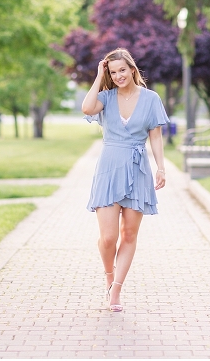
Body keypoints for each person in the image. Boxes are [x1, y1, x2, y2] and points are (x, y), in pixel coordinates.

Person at [81, 48, 169, 312]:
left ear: (132, 69)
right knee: (108, 238)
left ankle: (116, 291)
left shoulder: (151, 99)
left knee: (128, 234)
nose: (118, 75)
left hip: (138, 170)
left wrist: (161, 167)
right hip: (109, 169)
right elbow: (87, 107)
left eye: (122, 70)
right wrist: (98, 75)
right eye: (113, 71)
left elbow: (155, 135)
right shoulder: (105, 98)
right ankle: (109, 276)